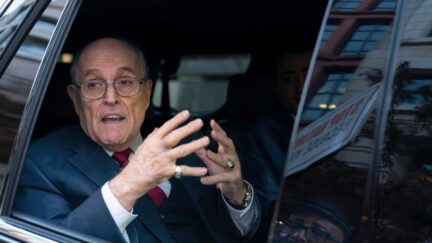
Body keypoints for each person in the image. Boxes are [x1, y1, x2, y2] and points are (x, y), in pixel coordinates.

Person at [14, 38, 260, 243]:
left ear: (146, 93)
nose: (111, 97)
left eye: (125, 82)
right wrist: (130, 182)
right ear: (76, 99)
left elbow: (240, 234)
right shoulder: (39, 164)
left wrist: (235, 195)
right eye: (94, 84)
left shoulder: (188, 144)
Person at [224, 50, 312, 242]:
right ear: (276, 88)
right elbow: (270, 207)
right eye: (289, 79)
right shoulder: (259, 134)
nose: (302, 86)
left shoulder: (352, 121)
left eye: (309, 73)